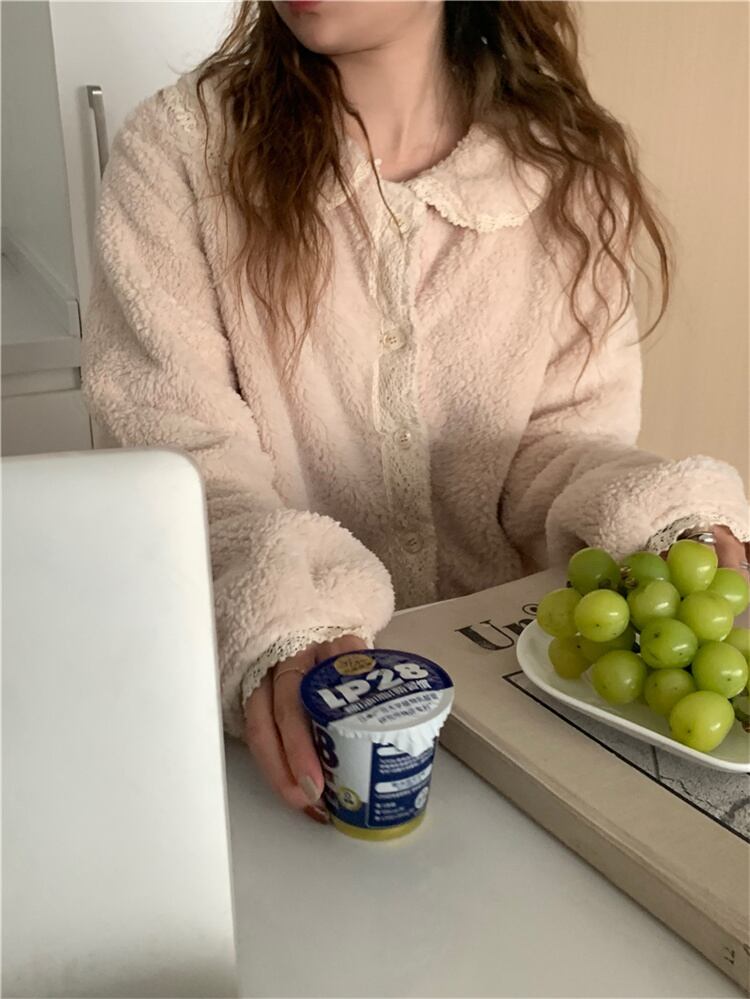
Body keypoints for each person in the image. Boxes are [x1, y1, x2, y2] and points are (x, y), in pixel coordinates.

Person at [82, 0, 749, 824]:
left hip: (520, 720)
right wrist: (285, 613)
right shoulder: (181, 152)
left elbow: (559, 442)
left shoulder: (560, 170)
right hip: (291, 735)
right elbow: (179, 451)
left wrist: (655, 513)